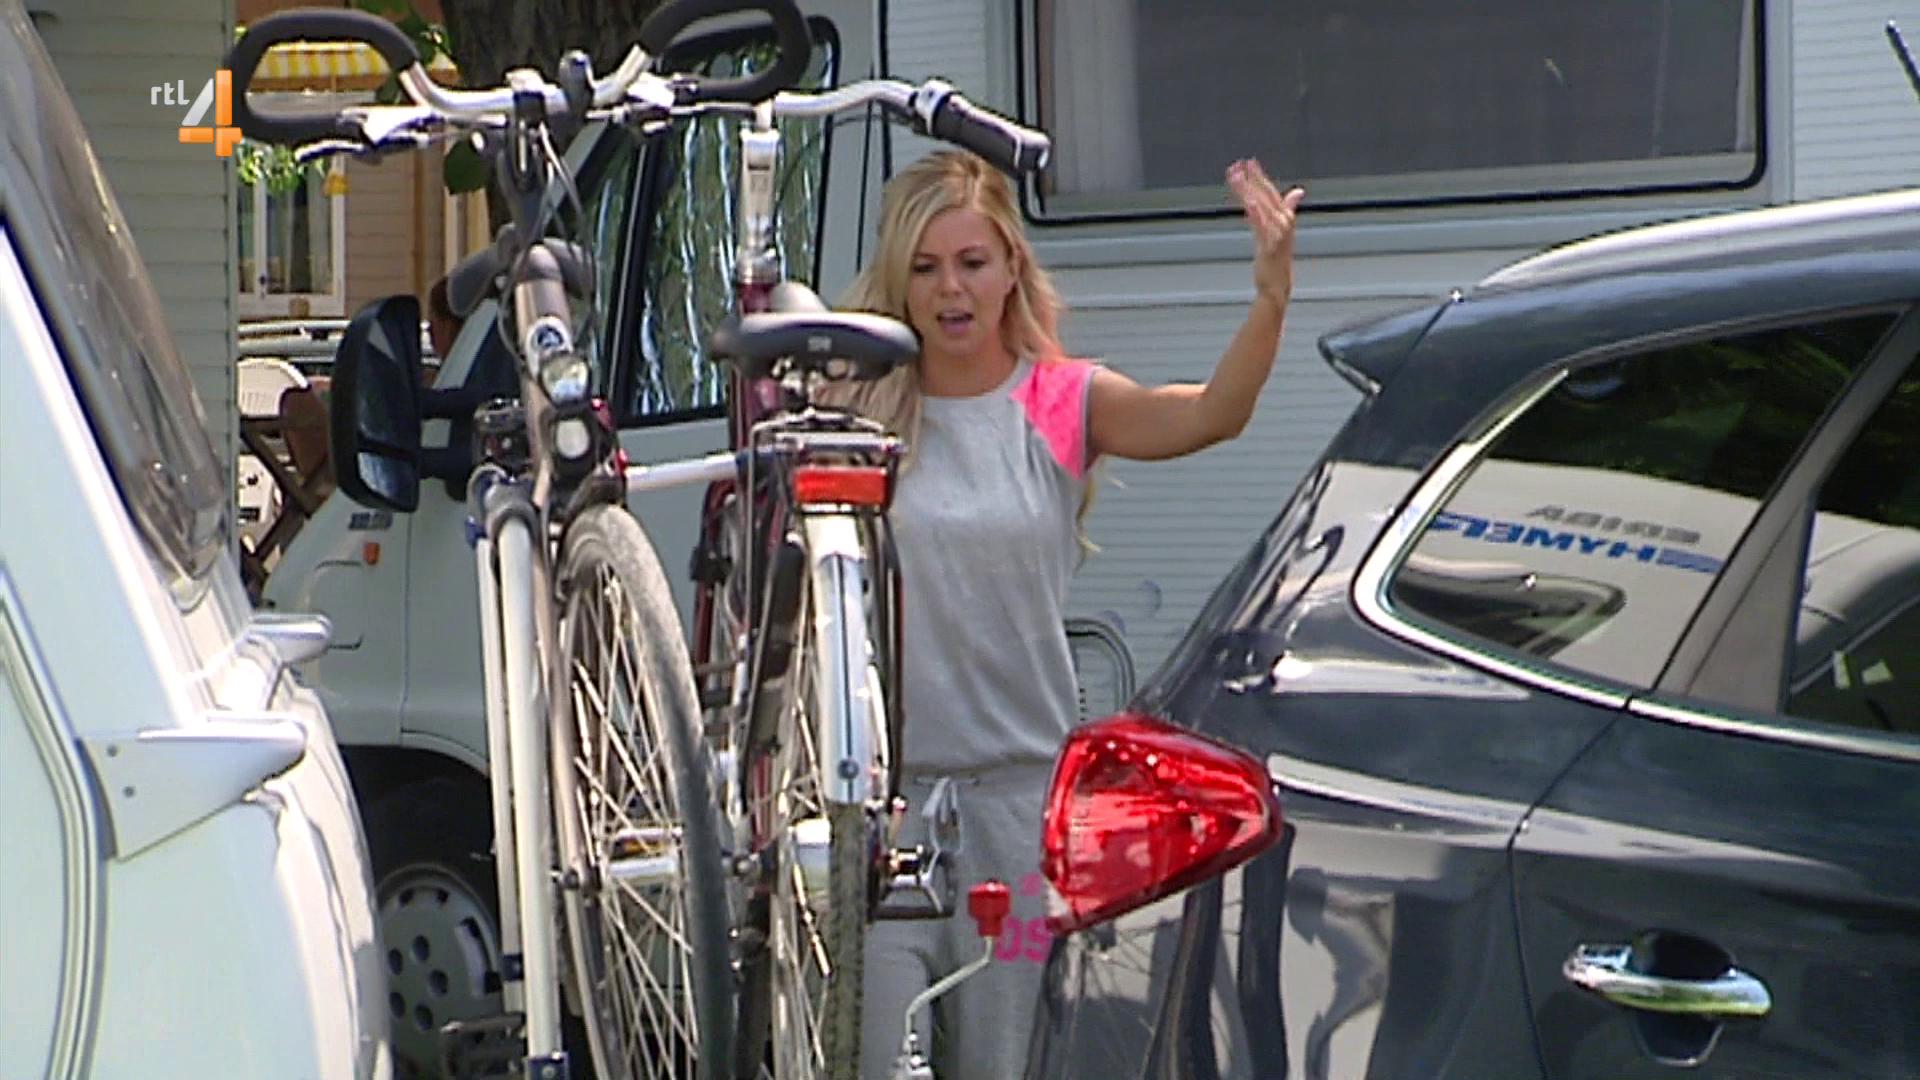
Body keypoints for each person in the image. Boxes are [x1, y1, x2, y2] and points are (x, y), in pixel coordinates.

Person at [835, 150, 1304, 1080]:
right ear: (899, 281)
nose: (951, 289)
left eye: (972, 262)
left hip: (1022, 814)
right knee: (876, 1056)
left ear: (1011, 266)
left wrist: (1271, 296)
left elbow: (1210, 415)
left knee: (1010, 1064)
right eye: (925, 268)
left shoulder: (1056, 400)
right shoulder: (861, 410)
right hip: (888, 817)